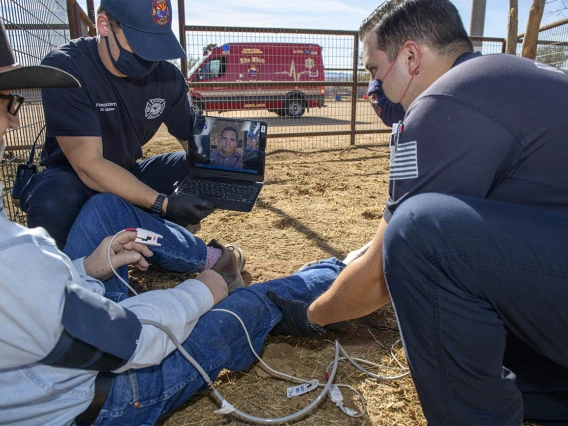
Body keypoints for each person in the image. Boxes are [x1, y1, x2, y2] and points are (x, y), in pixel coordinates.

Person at [0, 23, 347, 425]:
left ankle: (210, 255)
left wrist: (235, 167)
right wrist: (200, 291)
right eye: (9, 101)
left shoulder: (20, 264)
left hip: (67, 347)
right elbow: (131, 343)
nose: (14, 117)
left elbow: (195, 136)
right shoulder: (18, 257)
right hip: (101, 395)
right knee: (246, 305)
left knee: (107, 208)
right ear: (104, 25)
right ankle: (332, 271)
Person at [268, 1, 568, 425]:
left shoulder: (445, 100)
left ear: (410, 57)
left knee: (419, 234)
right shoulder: (506, 74)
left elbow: (383, 270)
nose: (373, 86)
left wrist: (310, 315)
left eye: (374, 70)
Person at [18, 0, 216, 249]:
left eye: (157, 44)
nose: (149, 57)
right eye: (140, 43)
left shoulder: (166, 76)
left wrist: (229, 170)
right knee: (52, 201)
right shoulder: (67, 69)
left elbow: (193, 141)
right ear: (104, 25)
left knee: (200, 166)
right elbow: (88, 164)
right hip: (74, 178)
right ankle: (72, 269)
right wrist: (163, 203)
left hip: (127, 171)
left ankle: (154, 228)